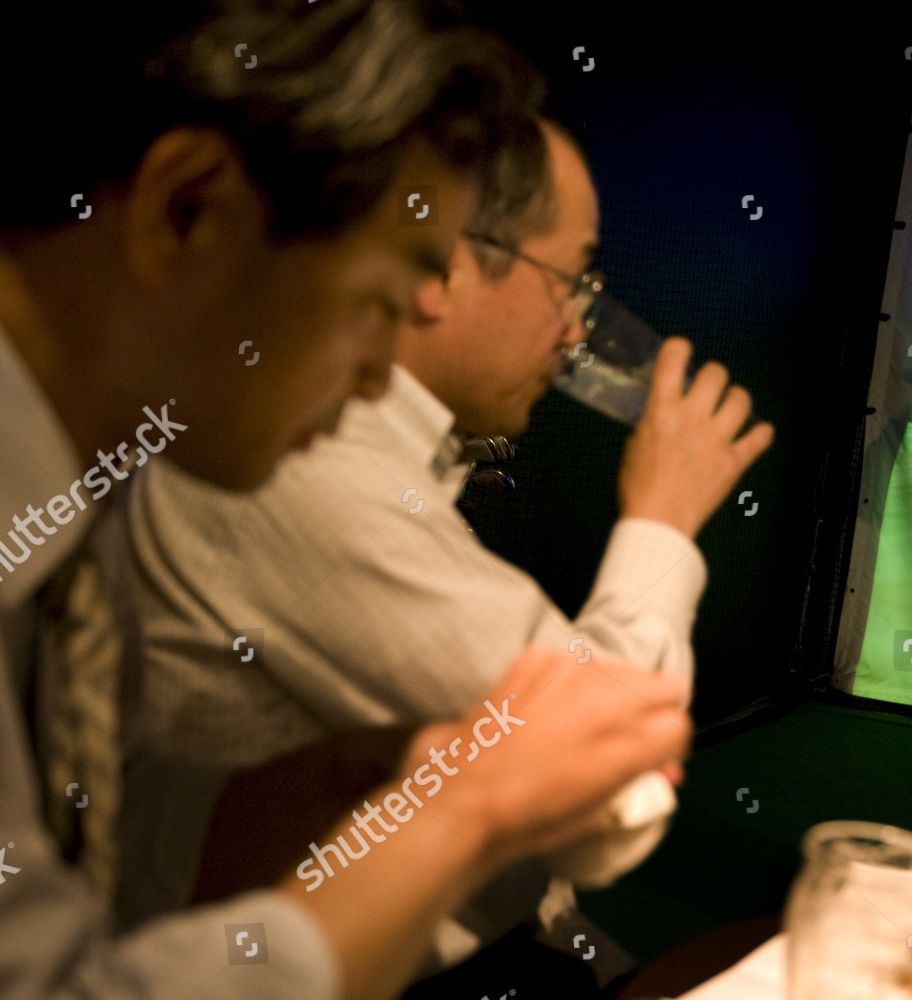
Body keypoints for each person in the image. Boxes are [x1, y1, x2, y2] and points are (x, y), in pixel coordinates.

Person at [0, 5, 689, 1000]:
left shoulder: (89, 505)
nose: (378, 379)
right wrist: (470, 808)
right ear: (189, 210)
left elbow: (104, 837)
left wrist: (380, 775)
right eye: (379, 300)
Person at [120, 112, 773, 989]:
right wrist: (661, 518)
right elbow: (614, 801)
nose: (580, 332)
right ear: (449, 265)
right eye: (571, 280)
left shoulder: (379, 455)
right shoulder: (292, 468)